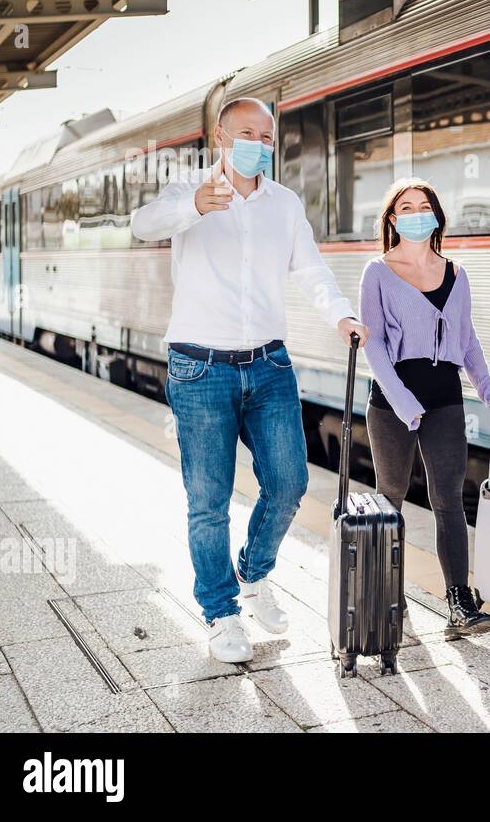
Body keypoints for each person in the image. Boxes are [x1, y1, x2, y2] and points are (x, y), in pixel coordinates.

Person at [131, 97, 367, 663]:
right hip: (199, 367)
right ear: (219, 137)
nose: (258, 143)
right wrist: (192, 206)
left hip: (268, 366)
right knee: (208, 501)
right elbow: (143, 225)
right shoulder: (188, 190)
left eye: (266, 135)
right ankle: (220, 612)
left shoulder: (283, 205)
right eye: (246, 133)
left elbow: (310, 268)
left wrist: (340, 314)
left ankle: (254, 573)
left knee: (288, 482)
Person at [359, 177, 490, 639]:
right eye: (405, 207)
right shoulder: (377, 271)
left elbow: (467, 343)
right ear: (391, 219)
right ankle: (388, 597)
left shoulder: (456, 273)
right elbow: (375, 347)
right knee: (391, 498)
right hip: (392, 399)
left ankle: (459, 604)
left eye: (424, 206)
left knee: (448, 499)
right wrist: (403, 401)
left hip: (444, 395)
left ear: (437, 216)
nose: (416, 214)